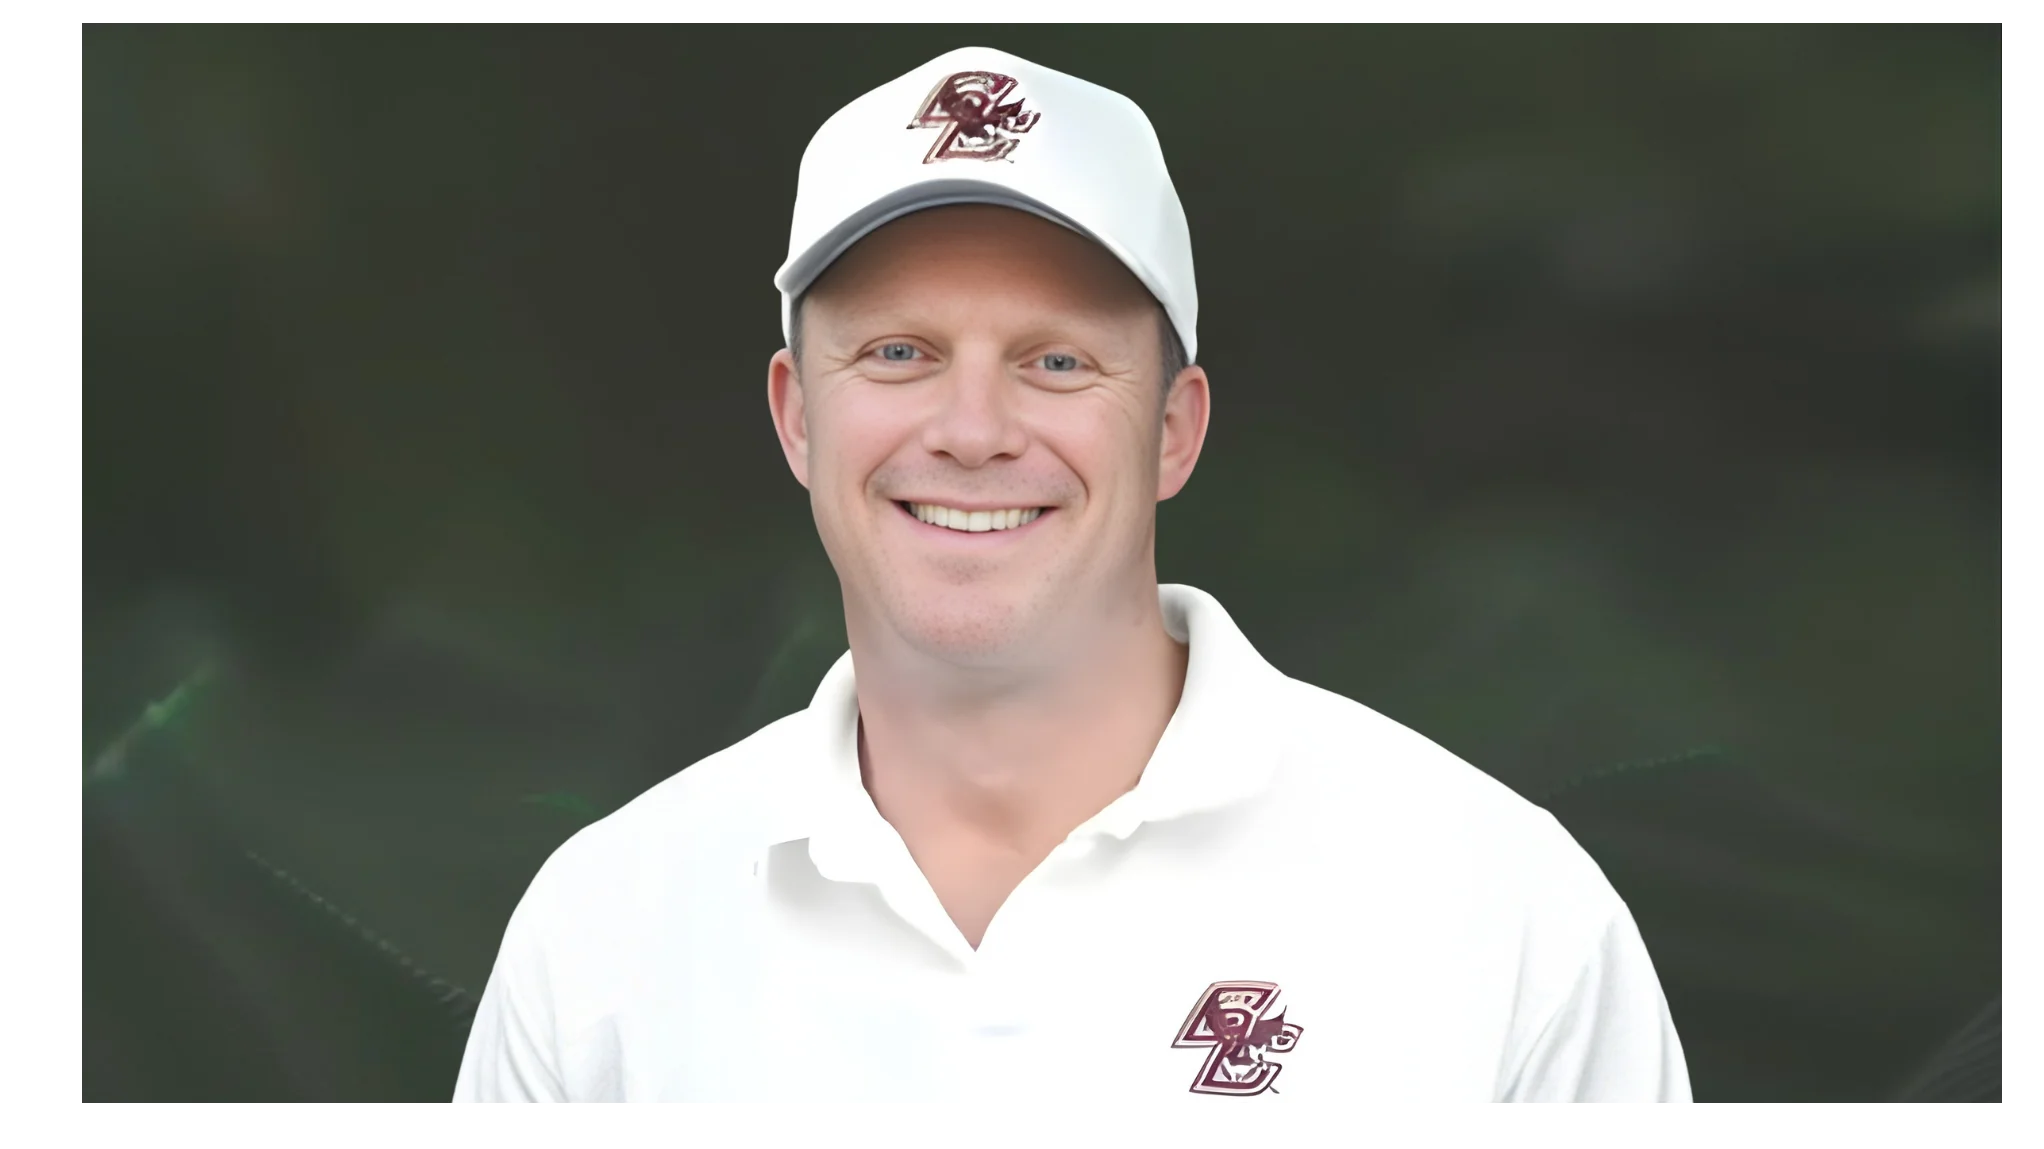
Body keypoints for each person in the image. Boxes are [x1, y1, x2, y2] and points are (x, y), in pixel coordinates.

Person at [452, 45, 1692, 1104]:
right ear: (794, 419)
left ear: (1172, 428)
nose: (974, 428)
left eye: (1055, 363)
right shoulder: (606, 932)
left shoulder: (1495, 904)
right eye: (897, 352)